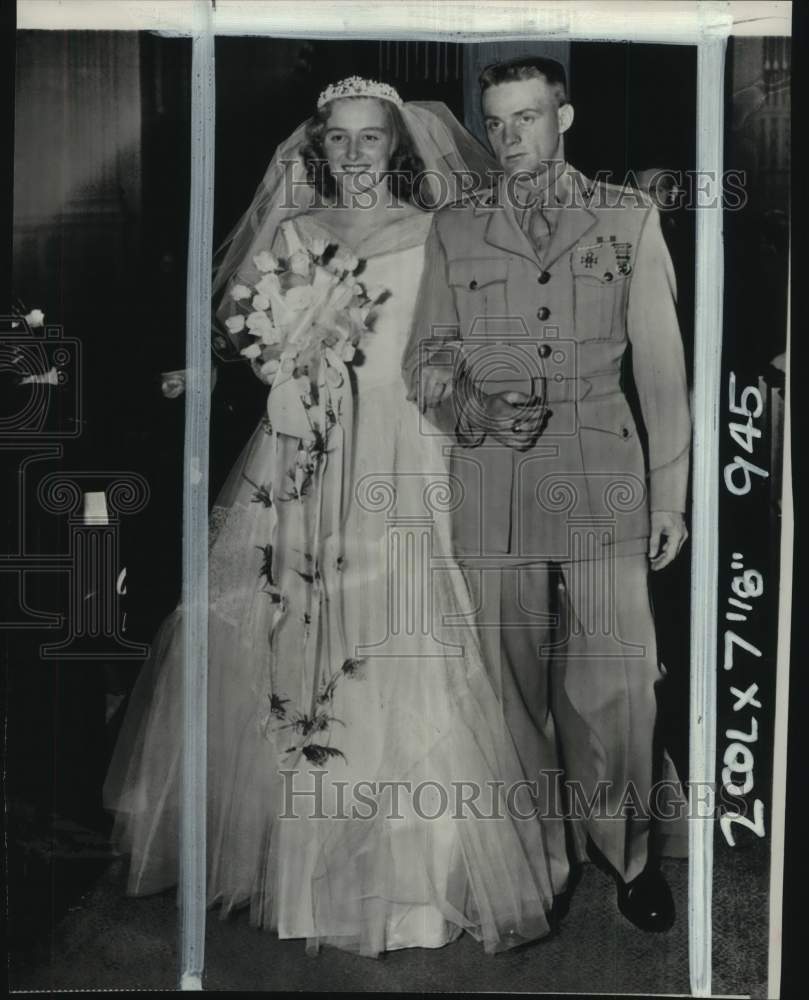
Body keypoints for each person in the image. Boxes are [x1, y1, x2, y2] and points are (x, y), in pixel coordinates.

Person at [103, 77, 568, 958]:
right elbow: (262, 345)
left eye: (370, 139)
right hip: (306, 452)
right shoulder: (292, 232)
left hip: (400, 449)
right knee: (287, 631)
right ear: (321, 148)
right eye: (341, 140)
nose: (356, 155)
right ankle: (303, 882)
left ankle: (415, 888)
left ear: (397, 146)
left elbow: (453, 347)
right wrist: (240, 370)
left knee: (406, 637)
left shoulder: (434, 230)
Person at [405, 56, 691, 933]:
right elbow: (423, 361)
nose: (508, 137)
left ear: (563, 119)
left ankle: (630, 853)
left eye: (526, 118)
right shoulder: (453, 229)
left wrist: (670, 497)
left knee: (620, 686)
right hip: (493, 479)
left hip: (603, 474)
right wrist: (477, 409)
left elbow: (664, 376)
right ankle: (539, 860)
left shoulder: (627, 217)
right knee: (511, 688)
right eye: (494, 122)